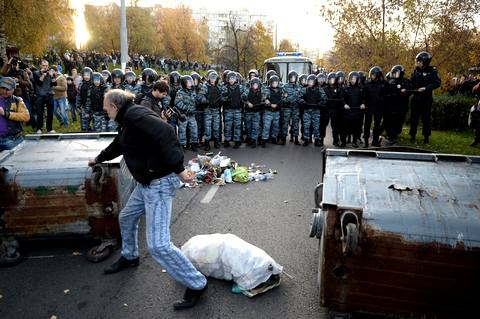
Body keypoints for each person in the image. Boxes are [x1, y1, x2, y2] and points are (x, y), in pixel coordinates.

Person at [89, 89, 207, 310]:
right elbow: (119, 143)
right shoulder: (128, 118)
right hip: (146, 183)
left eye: (106, 109)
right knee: (126, 217)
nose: (105, 112)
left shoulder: (136, 116)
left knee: (158, 245)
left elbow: (167, 132)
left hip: (159, 183)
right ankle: (130, 256)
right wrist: (98, 158)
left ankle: (197, 283)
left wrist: (179, 169)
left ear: (115, 106)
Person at [409, 51, 441, 144]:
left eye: (419, 61)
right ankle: (412, 135)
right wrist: (405, 89)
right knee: (413, 118)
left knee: (426, 119)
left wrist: (426, 88)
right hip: (415, 99)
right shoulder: (415, 71)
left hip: (426, 99)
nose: (417, 63)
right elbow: (411, 83)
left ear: (425, 61)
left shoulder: (432, 71)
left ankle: (426, 137)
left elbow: (437, 83)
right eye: (417, 61)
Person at [383, 65, 412, 144]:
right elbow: (384, 91)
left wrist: (405, 91)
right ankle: (390, 135)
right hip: (390, 105)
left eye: (396, 73)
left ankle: (395, 134)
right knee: (389, 120)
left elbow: (410, 91)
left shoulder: (406, 81)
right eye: (393, 73)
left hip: (401, 106)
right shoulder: (390, 81)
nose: (394, 74)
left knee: (399, 121)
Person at [0, 77, 30, 150]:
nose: (5, 91)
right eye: (2, 88)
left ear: (13, 89)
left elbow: (26, 117)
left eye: (8, 89)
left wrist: (6, 114)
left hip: (13, 139)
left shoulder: (17, 101)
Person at [299, 74, 327, 146]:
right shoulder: (304, 89)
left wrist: (320, 103)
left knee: (316, 126)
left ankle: (317, 139)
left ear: (315, 82)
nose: (310, 83)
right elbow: (299, 97)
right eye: (309, 81)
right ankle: (306, 139)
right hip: (307, 110)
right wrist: (303, 101)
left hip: (316, 110)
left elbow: (324, 98)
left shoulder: (319, 89)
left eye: (311, 81)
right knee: (306, 126)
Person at [222, 71, 247, 148]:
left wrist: (243, 97)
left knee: (237, 126)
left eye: (233, 78)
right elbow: (221, 98)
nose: (231, 80)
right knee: (228, 126)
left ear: (236, 79)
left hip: (237, 110)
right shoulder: (225, 87)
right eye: (230, 78)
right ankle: (227, 140)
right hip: (228, 110)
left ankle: (237, 141)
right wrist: (227, 98)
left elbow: (245, 95)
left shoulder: (240, 87)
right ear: (227, 79)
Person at [363, 66, 386, 147]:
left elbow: (386, 95)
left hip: (378, 108)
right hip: (369, 107)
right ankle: (366, 140)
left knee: (377, 124)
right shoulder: (367, 84)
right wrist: (364, 103)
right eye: (371, 74)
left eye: (373, 74)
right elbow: (364, 96)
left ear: (378, 75)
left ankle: (375, 140)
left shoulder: (383, 84)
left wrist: (381, 100)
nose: (371, 76)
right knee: (367, 124)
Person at [175, 75, 199, 152]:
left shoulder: (193, 92)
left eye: (190, 82)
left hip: (192, 115)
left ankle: (194, 144)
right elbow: (178, 103)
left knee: (194, 130)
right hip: (183, 115)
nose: (190, 84)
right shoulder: (180, 92)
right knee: (182, 131)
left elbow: (196, 101)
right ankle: (182, 145)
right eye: (188, 82)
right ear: (184, 83)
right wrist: (187, 109)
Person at [342, 71, 365, 148]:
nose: (352, 80)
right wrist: (344, 104)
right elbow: (342, 98)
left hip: (356, 111)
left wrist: (363, 104)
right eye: (351, 79)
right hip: (347, 111)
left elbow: (364, 98)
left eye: (354, 79)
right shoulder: (346, 88)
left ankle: (354, 141)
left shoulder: (361, 89)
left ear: (357, 79)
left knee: (355, 128)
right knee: (345, 127)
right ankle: (344, 142)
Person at [33, 59, 55, 133]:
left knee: (50, 113)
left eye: (46, 66)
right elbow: (39, 83)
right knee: (40, 113)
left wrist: (52, 76)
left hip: (50, 95)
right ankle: (39, 128)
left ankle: (50, 129)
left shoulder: (51, 73)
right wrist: (43, 75)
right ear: (40, 66)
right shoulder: (35, 73)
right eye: (43, 65)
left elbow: (54, 84)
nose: (45, 67)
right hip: (40, 95)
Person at [202, 71, 222, 150]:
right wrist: (207, 101)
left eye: (214, 78)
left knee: (216, 127)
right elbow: (200, 97)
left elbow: (224, 95)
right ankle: (207, 143)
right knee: (207, 127)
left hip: (216, 110)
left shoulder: (219, 86)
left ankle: (216, 142)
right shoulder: (205, 86)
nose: (213, 80)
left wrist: (222, 99)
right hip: (208, 110)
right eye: (211, 78)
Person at [261, 75, 284, 147]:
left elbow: (283, 98)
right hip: (269, 112)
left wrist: (285, 96)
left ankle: (274, 138)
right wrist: (270, 104)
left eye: (276, 83)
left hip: (277, 112)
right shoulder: (267, 90)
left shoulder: (281, 90)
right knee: (266, 126)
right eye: (273, 83)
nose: (275, 84)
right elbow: (264, 98)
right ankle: (264, 140)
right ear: (270, 83)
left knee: (275, 126)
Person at [323, 72, 344, 146]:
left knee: (335, 126)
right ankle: (321, 138)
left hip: (335, 110)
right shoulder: (325, 88)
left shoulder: (339, 88)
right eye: (330, 79)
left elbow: (341, 98)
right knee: (323, 124)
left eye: (333, 79)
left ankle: (336, 140)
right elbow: (323, 97)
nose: (331, 81)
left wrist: (338, 100)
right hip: (326, 110)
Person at [243, 77, 265, 148]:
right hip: (248, 112)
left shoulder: (261, 92)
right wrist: (247, 102)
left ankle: (254, 140)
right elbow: (243, 98)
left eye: (256, 84)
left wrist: (263, 102)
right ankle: (249, 138)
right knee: (248, 126)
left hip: (256, 112)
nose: (255, 86)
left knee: (255, 127)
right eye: (254, 84)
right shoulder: (247, 91)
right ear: (251, 85)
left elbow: (264, 99)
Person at [281, 71, 300, 145]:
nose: (293, 79)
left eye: (294, 77)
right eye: (291, 77)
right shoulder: (285, 86)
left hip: (295, 108)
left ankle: (296, 138)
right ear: (289, 78)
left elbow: (301, 97)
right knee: (285, 124)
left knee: (296, 124)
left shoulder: (299, 87)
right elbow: (282, 98)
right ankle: (283, 139)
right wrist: (287, 100)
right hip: (287, 108)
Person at [77, 67, 94, 132]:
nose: (86, 77)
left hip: (92, 107)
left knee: (94, 123)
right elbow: (78, 96)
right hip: (84, 107)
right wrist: (78, 106)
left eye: (88, 75)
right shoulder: (81, 84)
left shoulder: (93, 84)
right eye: (84, 75)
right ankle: (85, 131)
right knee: (84, 123)